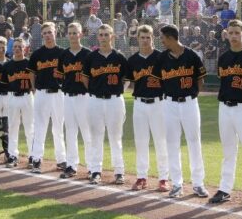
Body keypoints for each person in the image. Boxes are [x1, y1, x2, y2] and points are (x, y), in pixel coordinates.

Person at [208, 20, 242, 206]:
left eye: (236, 33)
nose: (233, 36)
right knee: (228, 150)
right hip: (225, 108)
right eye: (230, 32)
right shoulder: (224, 58)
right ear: (226, 34)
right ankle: (225, 188)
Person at [151, 24, 208, 198]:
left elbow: (200, 80)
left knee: (194, 142)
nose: (161, 41)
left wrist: (193, 95)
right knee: (172, 143)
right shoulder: (162, 58)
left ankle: (198, 183)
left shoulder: (191, 55)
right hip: (169, 104)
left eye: (163, 38)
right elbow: (157, 81)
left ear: (170, 38)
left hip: (190, 103)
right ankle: (177, 183)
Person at [81, 24, 129, 185]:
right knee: (96, 137)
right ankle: (96, 171)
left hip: (115, 101)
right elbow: (85, 78)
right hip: (95, 100)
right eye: (101, 35)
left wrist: (120, 91)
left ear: (112, 37)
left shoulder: (119, 57)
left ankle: (119, 171)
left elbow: (128, 78)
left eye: (106, 34)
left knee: (116, 137)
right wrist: (94, 91)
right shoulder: (91, 57)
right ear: (98, 37)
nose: (103, 37)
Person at [126, 24, 169, 191]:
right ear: (137, 39)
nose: (145, 40)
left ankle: (163, 178)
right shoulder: (132, 60)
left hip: (159, 103)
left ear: (153, 38)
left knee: (161, 141)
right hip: (139, 104)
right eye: (142, 37)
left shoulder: (161, 57)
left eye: (148, 37)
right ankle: (141, 177)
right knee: (141, 141)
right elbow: (128, 81)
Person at [28, 22, 66, 173]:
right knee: (40, 128)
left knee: (58, 128)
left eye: (50, 32)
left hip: (59, 94)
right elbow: (31, 73)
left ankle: (61, 160)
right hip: (42, 93)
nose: (47, 35)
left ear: (55, 32)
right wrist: (34, 89)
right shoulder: (37, 54)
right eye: (44, 33)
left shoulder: (63, 53)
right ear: (42, 36)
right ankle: (36, 159)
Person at [56, 22, 91, 178]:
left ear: (80, 34)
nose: (72, 35)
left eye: (75, 32)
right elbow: (59, 76)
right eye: (70, 33)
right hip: (68, 97)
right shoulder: (64, 55)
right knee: (70, 132)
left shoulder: (88, 54)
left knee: (87, 133)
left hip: (84, 97)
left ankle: (92, 167)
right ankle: (71, 165)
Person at [3, 38, 34, 168]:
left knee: (30, 128)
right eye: (15, 46)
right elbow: (4, 85)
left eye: (20, 47)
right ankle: (12, 155)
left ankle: (33, 156)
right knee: (12, 127)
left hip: (27, 96)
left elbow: (34, 83)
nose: (17, 49)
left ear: (25, 48)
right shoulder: (7, 65)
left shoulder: (30, 63)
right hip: (12, 97)